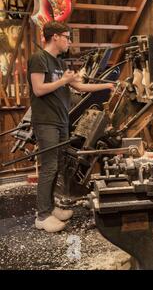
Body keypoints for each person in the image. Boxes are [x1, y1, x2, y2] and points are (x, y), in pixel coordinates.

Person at [28, 21, 115, 233]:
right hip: (46, 121)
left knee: (57, 165)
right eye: (67, 37)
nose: (69, 41)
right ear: (55, 37)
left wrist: (108, 85)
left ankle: (50, 208)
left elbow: (79, 86)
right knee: (48, 167)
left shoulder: (59, 63)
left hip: (61, 121)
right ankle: (42, 216)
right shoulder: (38, 59)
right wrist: (62, 81)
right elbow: (38, 89)